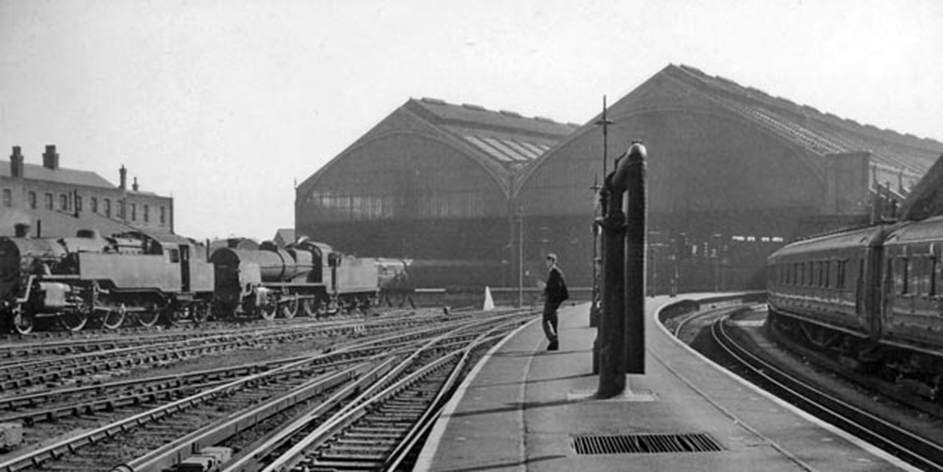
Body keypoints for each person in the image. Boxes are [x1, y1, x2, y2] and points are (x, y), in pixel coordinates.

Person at [542, 252, 568, 350]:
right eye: (547, 261)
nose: (547, 263)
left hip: (552, 301)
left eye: (549, 261)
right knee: (553, 321)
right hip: (554, 300)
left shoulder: (555, 272)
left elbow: (556, 287)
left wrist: (546, 288)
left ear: (553, 261)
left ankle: (553, 339)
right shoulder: (555, 272)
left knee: (545, 321)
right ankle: (554, 343)